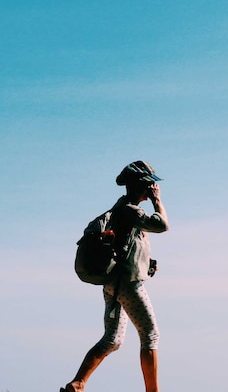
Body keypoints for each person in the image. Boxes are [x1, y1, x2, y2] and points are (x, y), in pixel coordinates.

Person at [61, 160, 169, 392]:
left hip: (114, 284)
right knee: (150, 335)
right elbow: (161, 225)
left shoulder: (122, 210)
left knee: (113, 339)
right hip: (128, 285)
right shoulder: (130, 210)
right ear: (141, 185)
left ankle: (78, 384)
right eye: (149, 185)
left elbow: (128, 247)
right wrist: (157, 201)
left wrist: (147, 264)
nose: (152, 188)